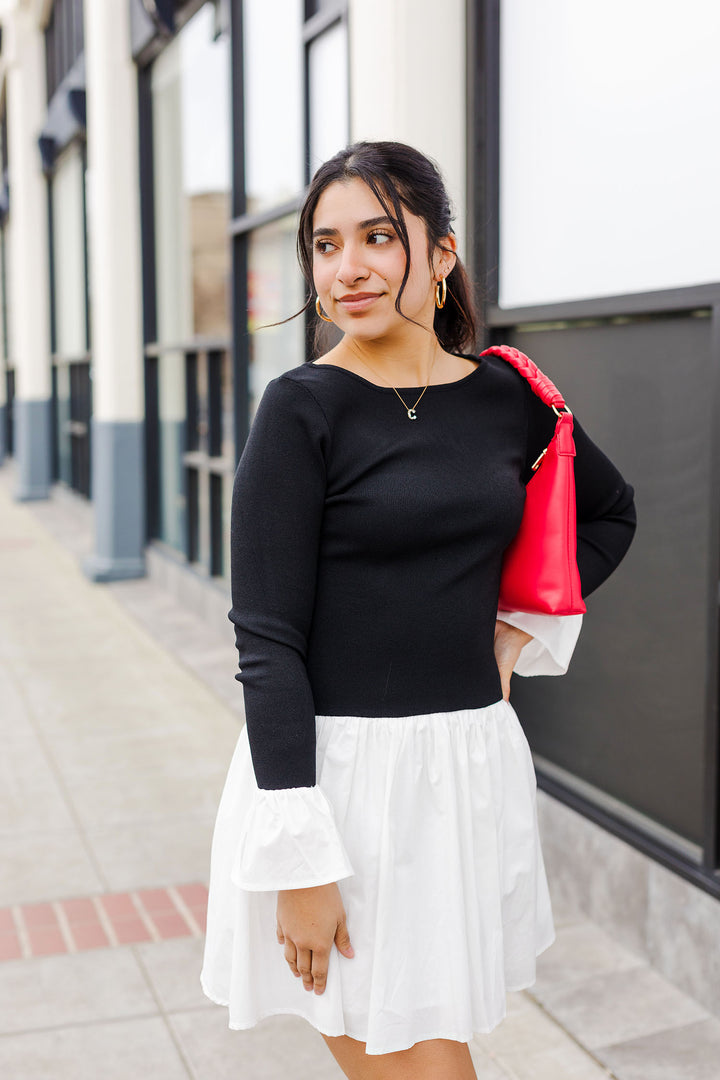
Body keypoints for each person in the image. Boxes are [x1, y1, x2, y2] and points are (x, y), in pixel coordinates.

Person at [200, 141, 636, 1079]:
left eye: (377, 237)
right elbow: (267, 640)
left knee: (438, 1055)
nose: (346, 267)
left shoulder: (507, 397)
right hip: (335, 782)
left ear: (440, 255)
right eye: (324, 244)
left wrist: (515, 634)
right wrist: (301, 860)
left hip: (463, 775)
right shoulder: (302, 408)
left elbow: (607, 514)